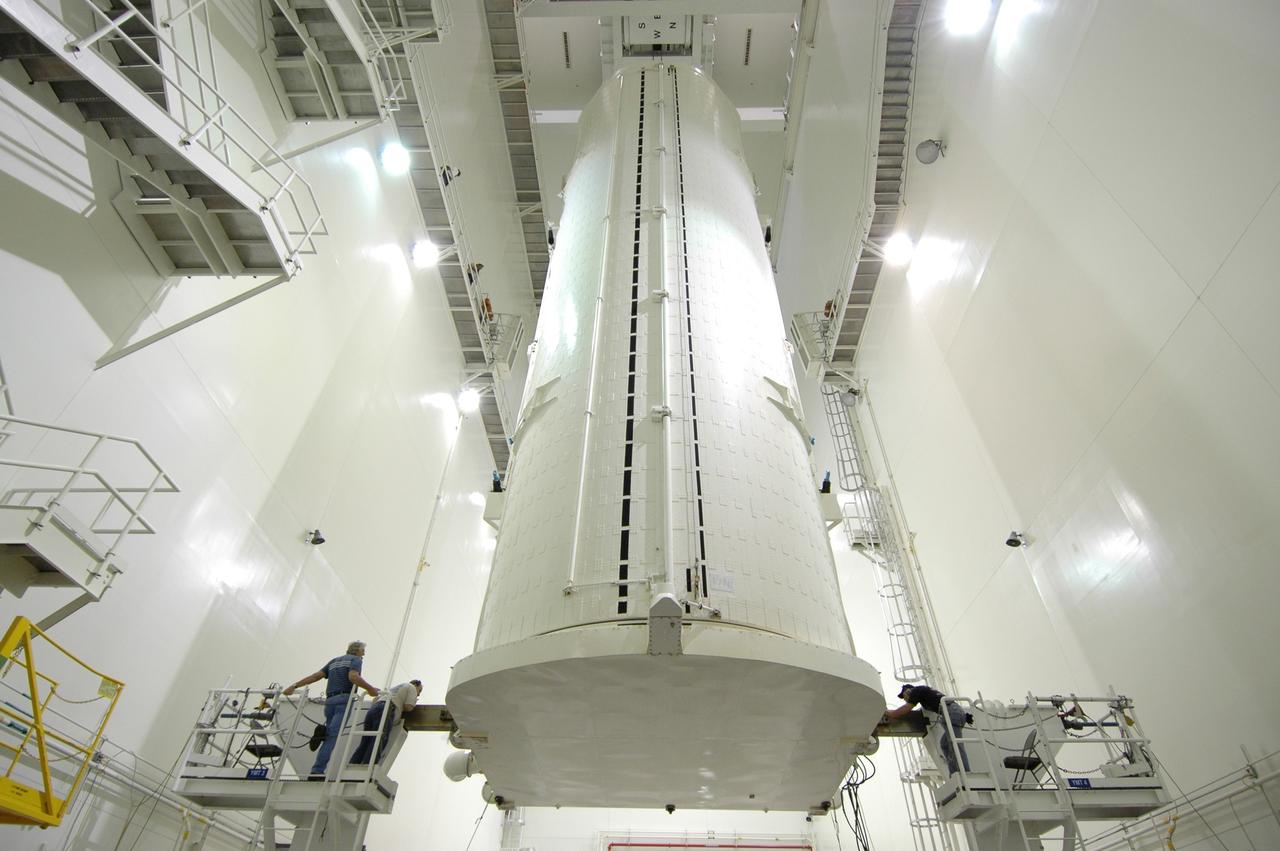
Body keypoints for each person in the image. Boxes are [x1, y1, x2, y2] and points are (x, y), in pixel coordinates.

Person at [284, 640, 380, 779]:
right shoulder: (356, 660)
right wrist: (371, 689)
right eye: (363, 651)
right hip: (344, 700)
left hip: (329, 701)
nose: (364, 654)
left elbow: (315, 676)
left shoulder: (334, 661)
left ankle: (322, 736)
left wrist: (294, 686)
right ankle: (317, 771)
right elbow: (353, 677)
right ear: (357, 651)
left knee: (329, 733)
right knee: (331, 738)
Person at [885, 683, 971, 775]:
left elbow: (905, 709)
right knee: (945, 744)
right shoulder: (925, 693)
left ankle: (965, 774)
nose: (905, 699)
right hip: (954, 712)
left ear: (908, 691)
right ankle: (954, 773)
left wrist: (888, 712)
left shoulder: (916, 691)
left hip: (952, 713)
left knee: (955, 745)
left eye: (904, 696)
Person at [350, 679, 422, 765]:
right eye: (420, 690)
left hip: (374, 709)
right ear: (416, 685)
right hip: (387, 709)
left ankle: (353, 763)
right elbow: (408, 707)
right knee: (379, 740)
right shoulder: (412, 688)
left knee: (366, 740)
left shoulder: (394, 688)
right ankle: (368, 766)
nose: (419, 694)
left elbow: (375, 699)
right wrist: (414, 702)